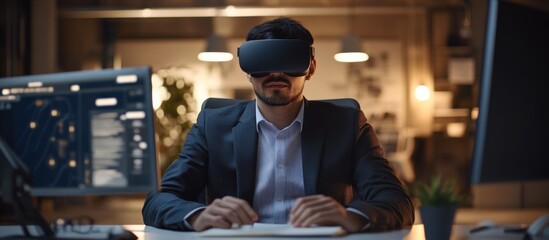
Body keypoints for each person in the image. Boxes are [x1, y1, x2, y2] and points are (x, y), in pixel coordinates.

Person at [142, 17, 415, 233]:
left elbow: (397, 202)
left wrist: (350, 217)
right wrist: (199, 215)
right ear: (247, 70)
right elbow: (158, 202)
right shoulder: (213, 125)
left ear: (311, 68)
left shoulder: (346, 124)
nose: (276, 73)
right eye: (263, 62)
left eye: (288, 61)